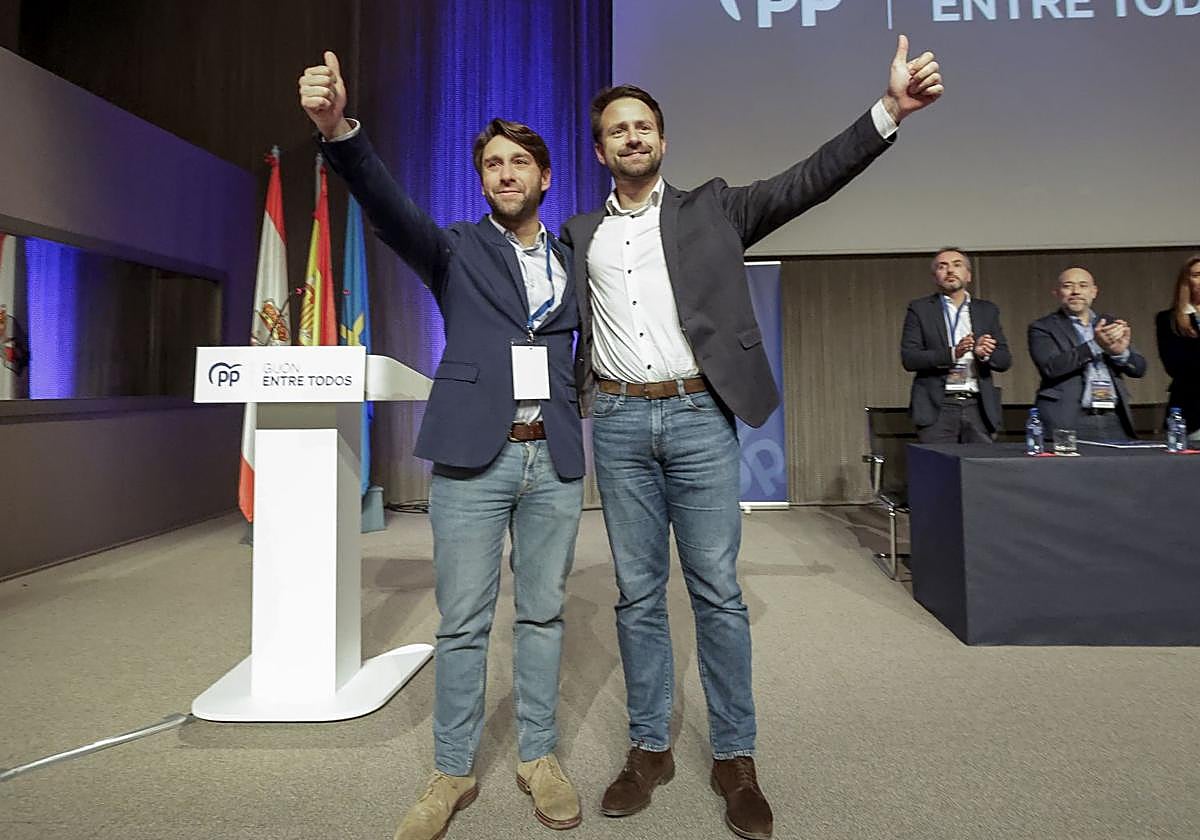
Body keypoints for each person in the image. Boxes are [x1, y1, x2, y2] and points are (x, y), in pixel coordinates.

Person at [560, 35, 943, 840]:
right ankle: (648, 748)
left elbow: (810, 178)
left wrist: (889, 111)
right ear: (600, 151)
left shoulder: (717, 208)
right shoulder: (580, 232)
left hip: (701, 415)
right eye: (617, 130)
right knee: (636, 596)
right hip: (622, 420)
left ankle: (735, 757)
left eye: (644, 128)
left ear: (661, 142)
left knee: (717, 594)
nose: (632, 138)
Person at [299, 52, 584, 840]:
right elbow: (389, 210)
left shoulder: (573, 258)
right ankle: (452, 771)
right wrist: (338, 132)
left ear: (546, 177)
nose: (504, 173)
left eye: (518, 162)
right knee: (461, 621)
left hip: (552, 457)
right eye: (491, 164)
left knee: (544, 614)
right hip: (472, 458)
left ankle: (538, 757)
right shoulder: (456, 248)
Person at [900, 248, 1011, 443]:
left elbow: (1004, 360)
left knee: (980, 470)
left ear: (968, 275)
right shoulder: (920, 309)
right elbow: (910, 358)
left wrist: (984, 354)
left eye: (957, 265)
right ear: (935, 277)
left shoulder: (987, 310)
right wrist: (953, 353)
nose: (950, 270)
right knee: (938, 470)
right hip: (938, 405)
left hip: (978, 405)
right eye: (943, 266)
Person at [1028, 267, 1147, 442]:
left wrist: (1120, 353)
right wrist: (1096, 345)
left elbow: (1139, 368)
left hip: (1113, 419)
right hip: (1069, 420)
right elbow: (1051, 367)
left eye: (1083, 286)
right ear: (1057, 292)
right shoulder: (1043, 327)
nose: (1076, 291)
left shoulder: (1109, 324)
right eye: (1068, 286)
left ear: (1094, 292)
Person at [1155, 256, 1200, 443]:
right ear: (1186, 280)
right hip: (1194, 411)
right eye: (1197, 275)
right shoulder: (1169, 320)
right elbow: (1175, 366)